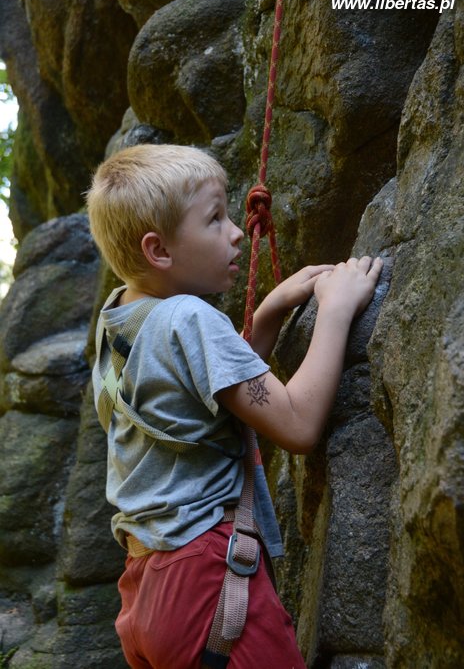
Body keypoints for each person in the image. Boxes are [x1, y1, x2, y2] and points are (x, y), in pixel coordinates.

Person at [87, 143, 383, 669]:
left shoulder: (119, 321)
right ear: (159, 250)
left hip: (146, 589)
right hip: (206, 580)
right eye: (215, 219)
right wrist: (336, 312)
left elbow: (202, 392)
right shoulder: (189, 317)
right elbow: (296, 424)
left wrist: (266, 314)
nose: (237, 232)